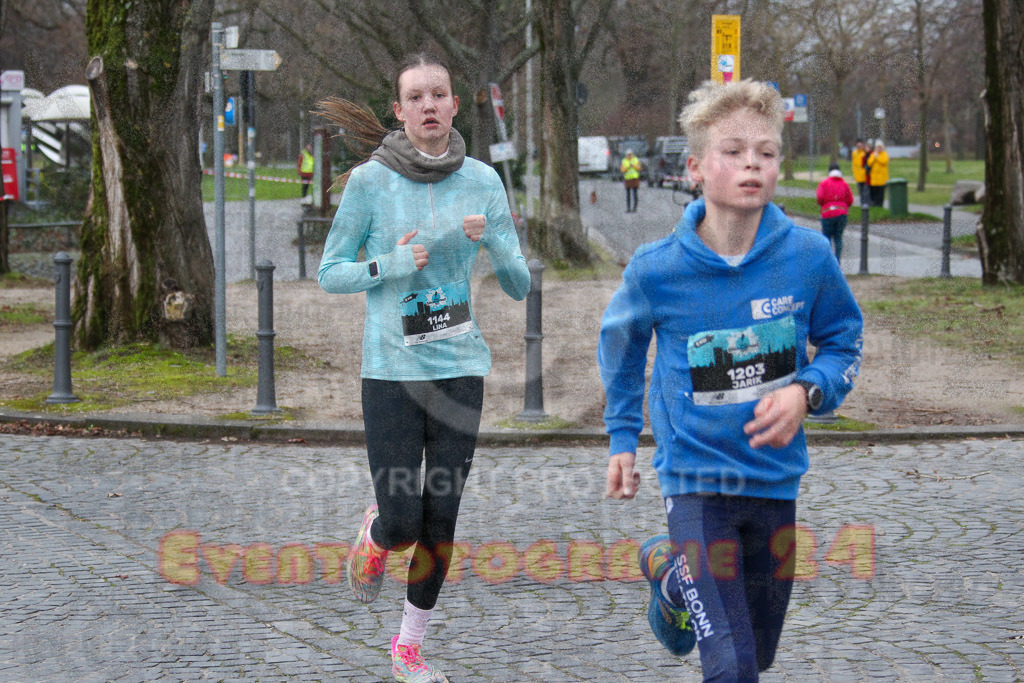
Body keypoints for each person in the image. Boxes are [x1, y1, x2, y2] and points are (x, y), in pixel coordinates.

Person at [598, 79, 863, 681]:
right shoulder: (656, 271)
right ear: (694, 168)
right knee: (732, 665)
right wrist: (621, 437)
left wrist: (808, 390)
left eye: (766, 153)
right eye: (734, 151)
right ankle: (681, 567)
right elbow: (621, 349)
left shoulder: (808, 256)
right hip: (694, 481)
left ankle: (669, 577)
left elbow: (845, 340)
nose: (752, 163)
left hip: (775, 481)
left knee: (759, 654)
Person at [316, 53, 530, 683]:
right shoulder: (368, 183)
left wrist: (492, 239)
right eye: (417, 97)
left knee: (441, 521)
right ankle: (377, 534)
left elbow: (518, 285)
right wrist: (389, 264)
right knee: (405, 519)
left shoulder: (484, 182)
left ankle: (408, 648)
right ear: (400, 110)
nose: (429, 105)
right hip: (391, 373)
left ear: (455, 105)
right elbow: (332, 273)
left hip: (461, 367)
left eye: (440, 94)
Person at [816, 161, 854, 261]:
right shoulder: (844, 184)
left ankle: (828, 261)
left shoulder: (823, 184)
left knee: (826, 238)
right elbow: (850, 200)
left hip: (827, 213)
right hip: (842, 213)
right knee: (838, 238)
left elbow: (820, 198)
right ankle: (837, 261)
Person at [867, 140, 889, 208]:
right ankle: (875, 205)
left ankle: (880, 205)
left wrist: (877, 157)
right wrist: (874, 156)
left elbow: (884, 161)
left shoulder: (884, 154)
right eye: (877, 147)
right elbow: (869, 163)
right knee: (874, 193)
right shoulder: (873, 154)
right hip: (874, 179)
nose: (878, 148)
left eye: (880, 147)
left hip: (882, 179)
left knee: (880, 194)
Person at [850, 139, 869, 205]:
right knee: (860, 189)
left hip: (864, 174)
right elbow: (854, 164)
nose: (859, 145)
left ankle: (866, 202)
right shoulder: (854, 153)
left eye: (860, 143)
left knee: (865, 189)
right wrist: (854, 172)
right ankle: (862, 202)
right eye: (858, 143)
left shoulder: (864, 152)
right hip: (858, 175)